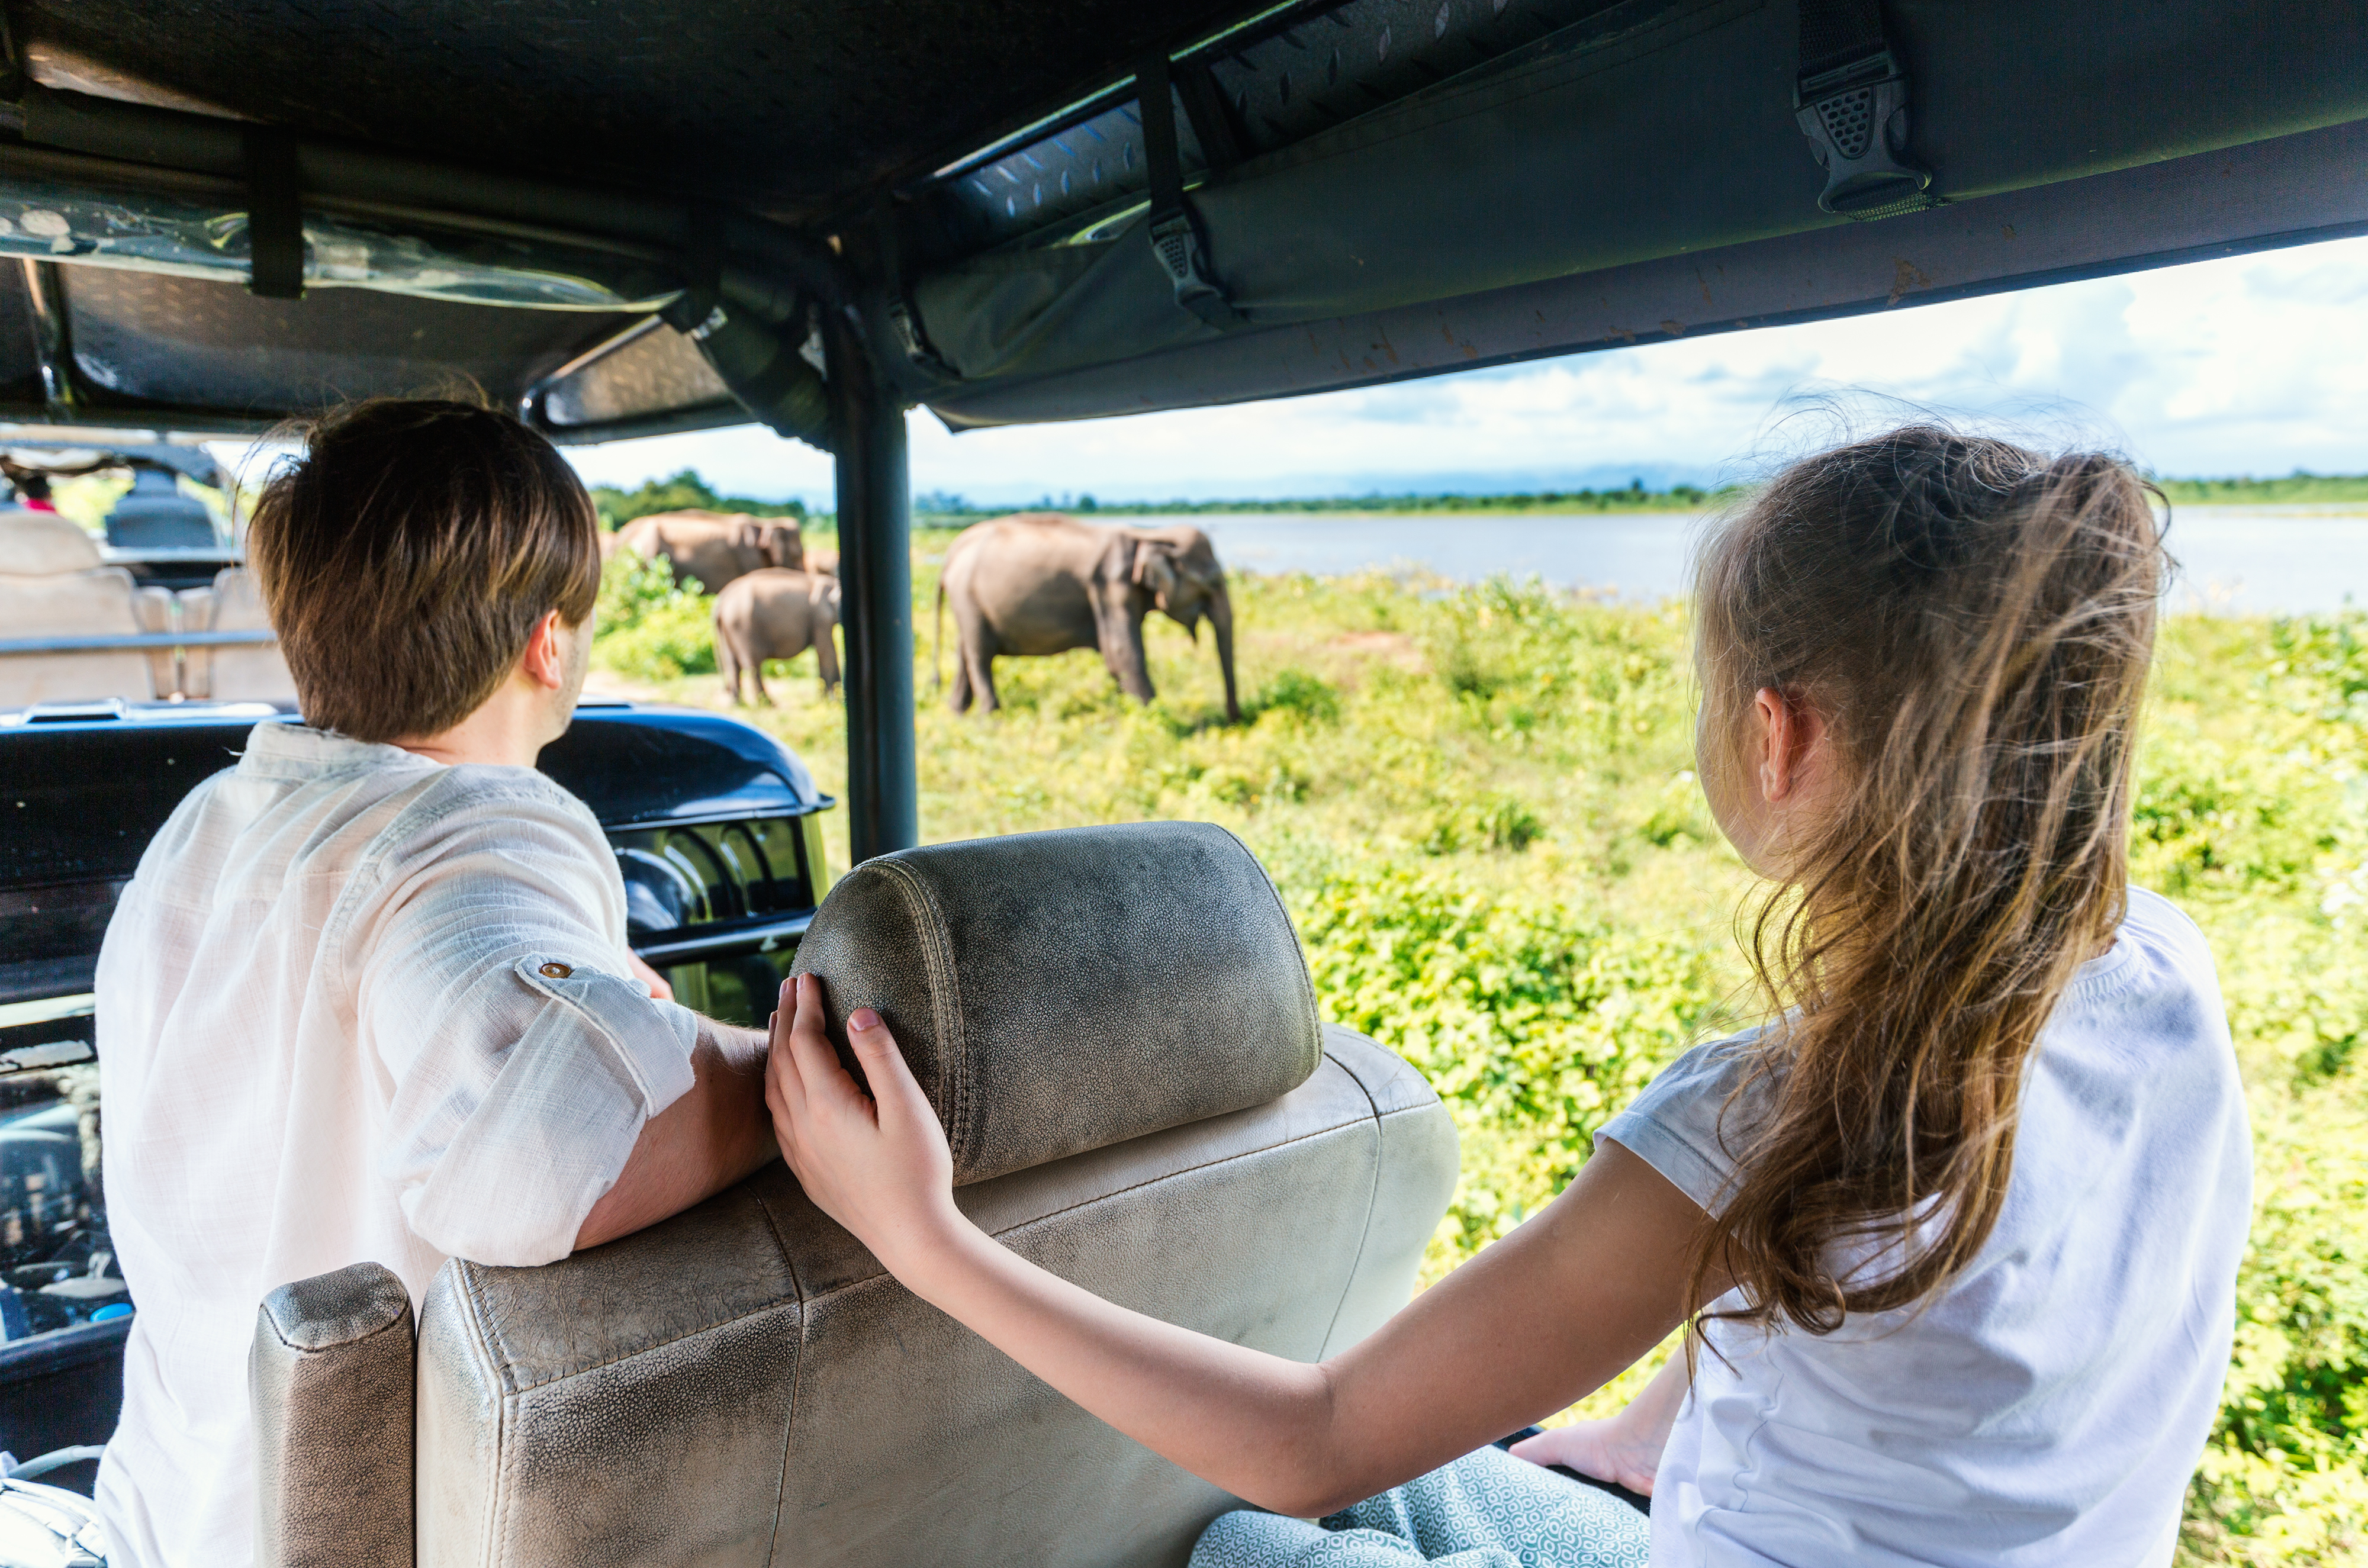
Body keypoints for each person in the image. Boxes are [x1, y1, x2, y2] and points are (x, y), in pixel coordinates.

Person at [764, 427, 2251, 1566]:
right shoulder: (2165, 978)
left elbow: (1313, 1440)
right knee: (1457, 1467)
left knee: (1247, 1542)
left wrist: (923, 1237)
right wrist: (1630, 1433)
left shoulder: (1777, 1104)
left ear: (1774, 734)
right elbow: (1863, 1309)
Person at [92, 400, 777, 1568]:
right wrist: (764, 1065)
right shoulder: (473, 828)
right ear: (548, 642)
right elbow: (535, 1154)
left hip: (173, 1511)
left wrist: (604, 1022)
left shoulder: (211, 824)